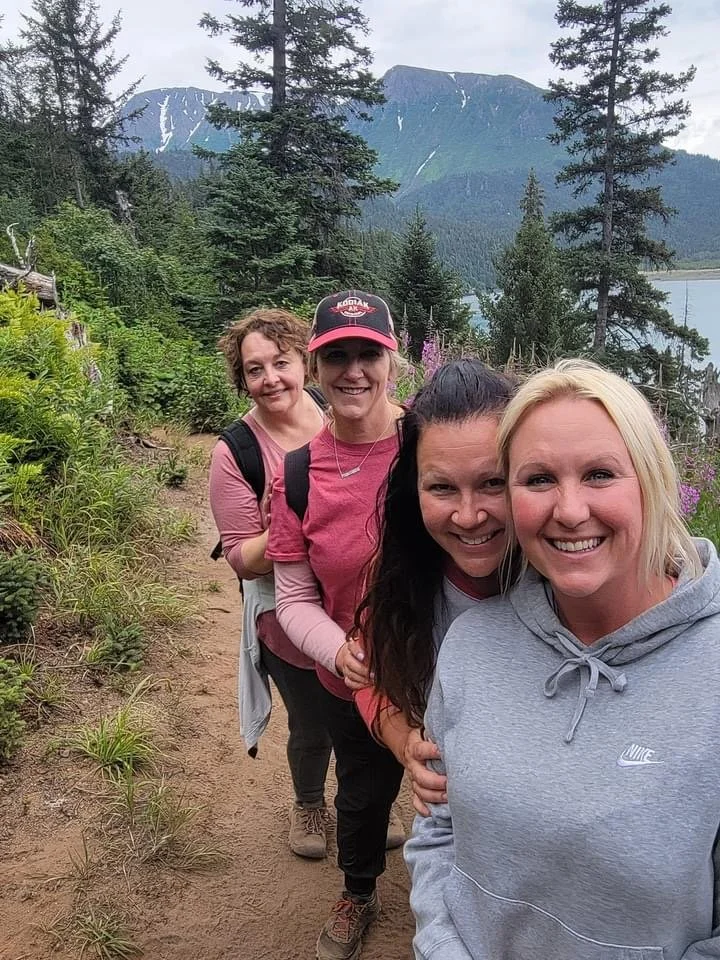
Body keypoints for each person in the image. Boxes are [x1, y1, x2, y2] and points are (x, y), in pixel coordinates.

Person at [406, 357, 720, 960]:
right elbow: (439, 833)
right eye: (539, 479)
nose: (570, 511)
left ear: (653, 481)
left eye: (600, 474)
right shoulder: (471, 646)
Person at [267, 290, 407, 960]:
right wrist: (337, 651)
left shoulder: (430, 446)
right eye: (337, 356)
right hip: (356, 675)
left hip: (447, 664)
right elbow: (293, 596)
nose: (353, 371)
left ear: (392, 361)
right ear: (315, 368)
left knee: (469, 786)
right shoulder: (298, 474)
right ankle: (359, 890)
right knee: (360, 789)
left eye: (368, 354)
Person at [352, 359, 517, 814]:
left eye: (493, 483)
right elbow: (369, 676)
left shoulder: (569, 585)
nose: (469, 516)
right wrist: (405, 742)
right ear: (414, 489)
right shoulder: (403, 575)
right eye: (442, 488)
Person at [208, 308, 332, 860]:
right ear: (242, 379)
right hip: (282, 607)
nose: (270, 379)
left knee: (365, 706)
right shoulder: (235, 452)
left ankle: (362, 797)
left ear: (303, 360)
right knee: (312, 719)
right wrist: (286, 518)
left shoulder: (337, 413)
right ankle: (309, 802)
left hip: (353, 593)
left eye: (280, 362)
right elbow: (241, 558)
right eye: (254, 370)